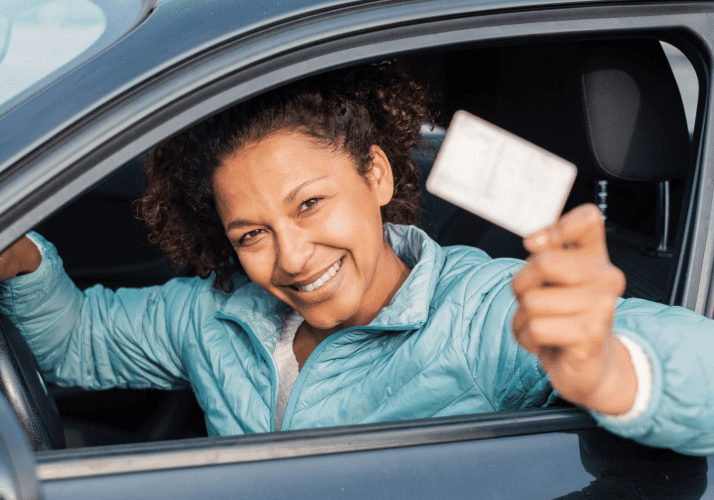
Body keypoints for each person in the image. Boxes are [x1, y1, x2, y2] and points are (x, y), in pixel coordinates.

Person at [0, 64, 713, 455]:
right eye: (251, 234)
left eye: (310, 204)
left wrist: (613, 370)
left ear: (375, 175)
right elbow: (73, 343)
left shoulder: (484, 309)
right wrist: (20, 250)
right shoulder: (216, 313)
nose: (291, 257)